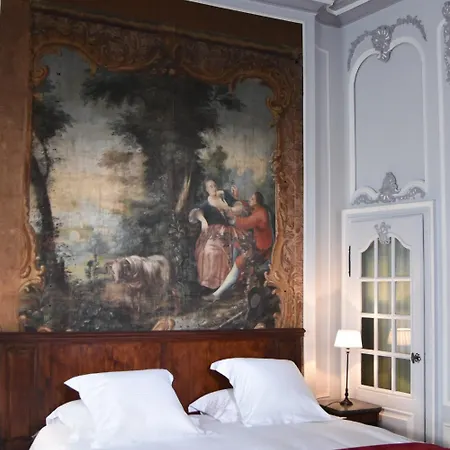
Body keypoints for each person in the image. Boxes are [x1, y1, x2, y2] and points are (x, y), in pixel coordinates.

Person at [204, 191, 273, 300]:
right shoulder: (258, 209)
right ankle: (235, 278)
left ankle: (217, 294)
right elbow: (245, 205)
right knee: (236, 244)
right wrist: (236, 199)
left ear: (257, 202)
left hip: (261, 250)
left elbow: (245, 223)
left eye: (252, 199)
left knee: (239, 261)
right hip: (257, 244)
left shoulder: (260, 214)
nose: (249, 200)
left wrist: (231, 215)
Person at [188, 179, 242, 290]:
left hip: (227, 232)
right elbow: (197, 212)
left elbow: (238, 206)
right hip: (213, 232)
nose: (213, 188)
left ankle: (223, 283)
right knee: (207, 251)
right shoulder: (206, 203)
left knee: (222, 252)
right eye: (210, 186)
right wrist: (203, 220)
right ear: (207, 190)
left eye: (214, 185)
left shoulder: (224, 196)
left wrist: (230, 209)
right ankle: (208, 283)